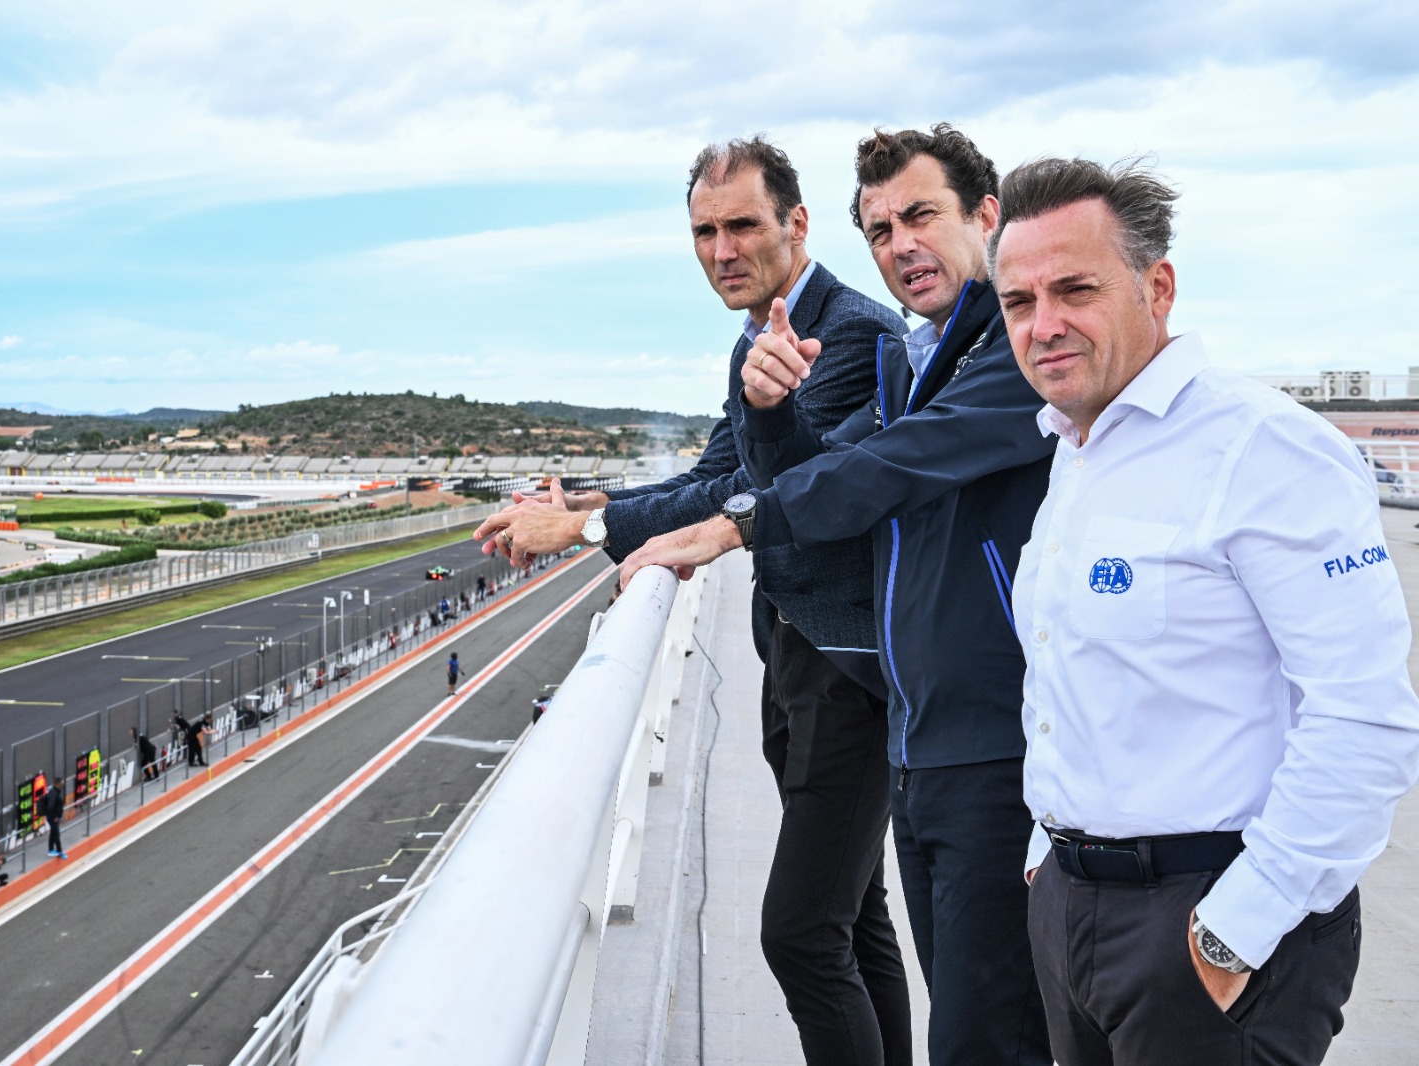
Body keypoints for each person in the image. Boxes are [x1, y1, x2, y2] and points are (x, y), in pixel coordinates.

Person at [620, 125, 1055, 1065]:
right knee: (931, 988)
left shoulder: (1010, 354)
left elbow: (891, 465)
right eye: (881, 228)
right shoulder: (911, 356)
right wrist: (771, 417)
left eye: (922, 216)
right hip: (918, 728)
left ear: (987, 216)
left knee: (980, 1026)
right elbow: (830, 478)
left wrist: (737, 522)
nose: (900, 245)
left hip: (989, 738)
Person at [477, 136, 913, 1066]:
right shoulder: (762, 330)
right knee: (852, 913)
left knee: (800, 936)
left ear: (796, 224)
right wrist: (585, 507)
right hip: (801, 652)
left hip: (850, 671)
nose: (722, 250)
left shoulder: (849, 337)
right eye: (705, 231)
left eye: (743, 225)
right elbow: (720, 473)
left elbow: (765, 503)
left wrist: (589, 536)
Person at [989, 156, 1419, 1065]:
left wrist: (1236, 929)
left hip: (1213, 918)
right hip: (1070, 906)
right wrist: (1047, 858)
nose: (1045, 324)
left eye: (1074, 288)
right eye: (1019, 301)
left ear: (1159, 286)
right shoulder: (1074, 450)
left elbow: (1366, 717)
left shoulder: (1265, 449)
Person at [41, 775, 66, 859]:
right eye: (61, 782)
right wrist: (55, 816)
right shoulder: (54, 793)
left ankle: (51, 849)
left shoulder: (55, 791)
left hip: (52, 817)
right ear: (58, 783)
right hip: (52, 817)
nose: (62, 783)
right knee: (56, 833)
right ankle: (59, 851)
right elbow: (51, 806)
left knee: (53, 832)